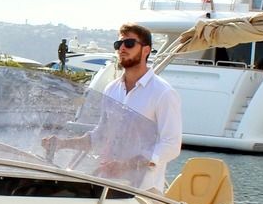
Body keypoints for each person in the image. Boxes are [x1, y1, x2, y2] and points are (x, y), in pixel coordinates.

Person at [46, 23, 183, 190]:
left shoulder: (163, 93)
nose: (122, 48)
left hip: (144, 192)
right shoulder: (111, 89)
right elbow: (100, 135)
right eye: (119, 44)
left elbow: (171, 146)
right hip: (107, 185)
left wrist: (125, 166)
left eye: (129, 43)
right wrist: (61, 144)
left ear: (146, 50)